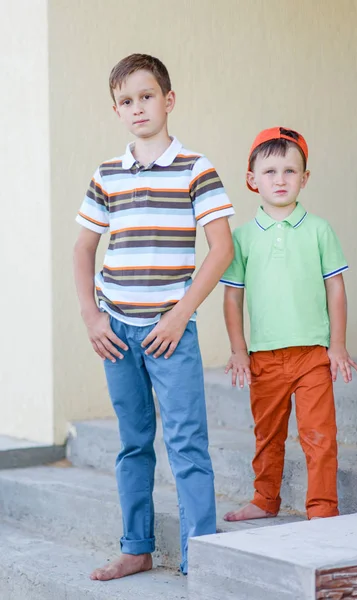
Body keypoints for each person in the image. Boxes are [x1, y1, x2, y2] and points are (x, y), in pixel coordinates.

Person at [73, 53, 234, 580]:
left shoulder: (196, 168)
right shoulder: (107, 175)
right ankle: (136, 546)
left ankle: (200, 556)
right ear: (116, 110)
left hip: (170, 332)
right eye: (126, 101)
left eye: (147, 96)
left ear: (168, 100)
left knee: (187, 441)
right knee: (134, 441)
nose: (137, 107)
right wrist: (93, 317)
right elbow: (83, 250)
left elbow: (220, 250)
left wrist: (179, 314)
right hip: (116, 330)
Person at [221, 127, 357, 523]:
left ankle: (322, 508)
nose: (280, 179)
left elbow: (336, 288)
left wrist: (337, 344)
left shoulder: (319, 230)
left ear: (305, 177)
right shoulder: (243, 238)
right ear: (252, 179)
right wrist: (238, 350)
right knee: (268, 436)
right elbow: (232, 297)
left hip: (313, 355)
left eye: (290, 171)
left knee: (319, 436)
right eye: (269, 172)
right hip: (264, 357)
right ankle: (265, 500)